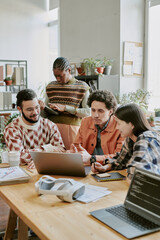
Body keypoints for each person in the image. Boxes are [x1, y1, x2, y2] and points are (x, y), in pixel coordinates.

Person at [92, 103, 160, 180]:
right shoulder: (131, 138)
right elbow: (121, 161)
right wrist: (105, 167)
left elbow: (135, 175)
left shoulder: (145, 139)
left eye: (119, 123)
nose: (117, 127)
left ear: (131, 125)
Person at [4, 89, 65, 168]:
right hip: (23, 172)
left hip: (48, 168)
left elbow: (61, 151)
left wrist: (42, 160)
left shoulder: (50, 125)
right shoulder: (12, 129)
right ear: (19, 109)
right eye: (29, 109)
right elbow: (19, 157)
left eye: (37, 107)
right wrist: (47, 148)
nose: (35, 112)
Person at [41, 57, 90, 149]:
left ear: (69, 70)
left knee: (72, 160)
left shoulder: (82, 87)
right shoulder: (50, 87)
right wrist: (41, 108)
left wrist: (66, 108)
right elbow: (44, 115)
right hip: (51, 131)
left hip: (73, 132)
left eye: (61, 76)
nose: (58, 79)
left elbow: (88, 112)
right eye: (56, 76)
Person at [70, 90, 124, 165]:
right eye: (93, 110)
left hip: (110, 168)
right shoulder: (85, 121)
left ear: (110, 112)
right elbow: (76, 146)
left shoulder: (120, 126)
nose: (95, 115)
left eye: (100, 111)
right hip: (87, 166)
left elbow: (119, 156)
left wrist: (92, 159)